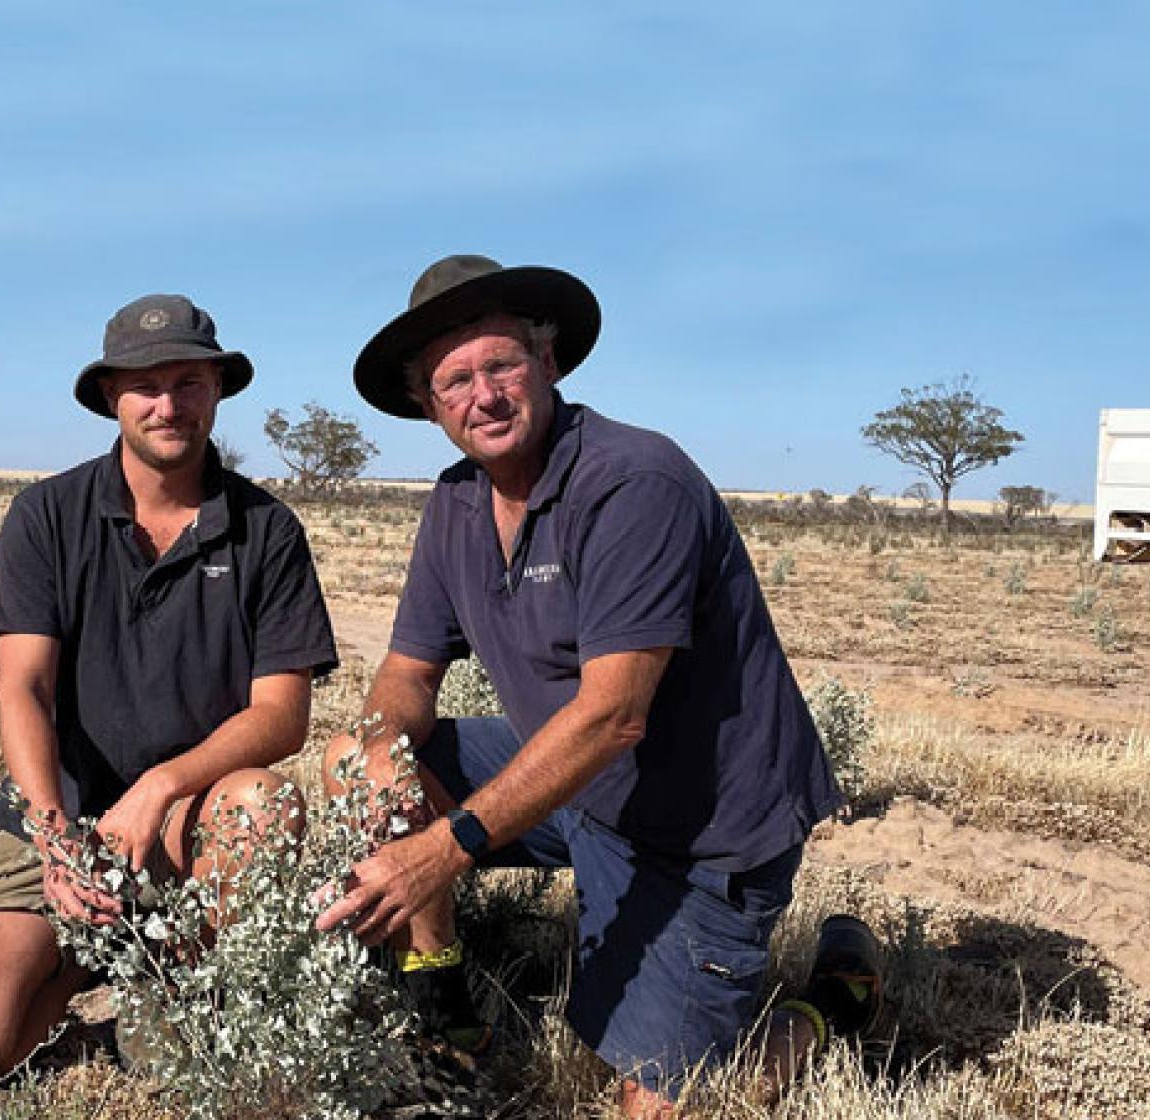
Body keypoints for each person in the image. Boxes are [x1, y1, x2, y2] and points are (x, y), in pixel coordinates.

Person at [311, 256, 880, 1117]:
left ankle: (834, 999)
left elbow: (614, 715)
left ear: (551, 363)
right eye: (454, 380)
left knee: (672, 1105)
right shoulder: (455, 502)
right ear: (430, 406)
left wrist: (438, 850)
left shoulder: (631, 481)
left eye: (501, 365)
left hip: (702, 826)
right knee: (359, 756)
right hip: (579, 789)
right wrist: (387, 744)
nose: (484, 395)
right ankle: (448, 1014)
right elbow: (408, 670)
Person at [0, 293, 341, 1089]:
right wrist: (55, 836)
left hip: (187, 820)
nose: (167, 404)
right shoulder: (45, 515)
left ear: (217, 388)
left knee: (261, 809)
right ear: (111, 396)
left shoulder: (268, 531)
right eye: (145, 384)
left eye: (188, 382)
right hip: (59, 817)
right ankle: (83, 959)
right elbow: (24, 693)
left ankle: (163, 968)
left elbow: (283, 717)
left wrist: (161, 787)